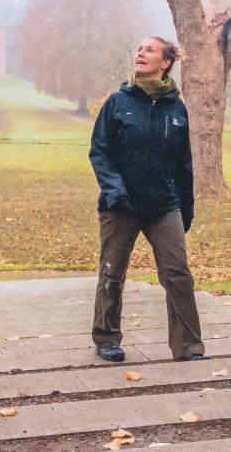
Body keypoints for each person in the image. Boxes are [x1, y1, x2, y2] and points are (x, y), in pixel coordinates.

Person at [88, 36, 206, 363]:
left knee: (178, 274)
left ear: (166, 62)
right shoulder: (117, 102)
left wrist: (186, 209)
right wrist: (114, 191)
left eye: (149, 49)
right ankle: (107, 338)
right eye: (139, 49)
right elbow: (99, 151)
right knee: (112, 272)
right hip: (120, 206)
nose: (140, 52)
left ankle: (189, 347)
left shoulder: (176, 108)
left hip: (164, 205)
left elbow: (184, 165)